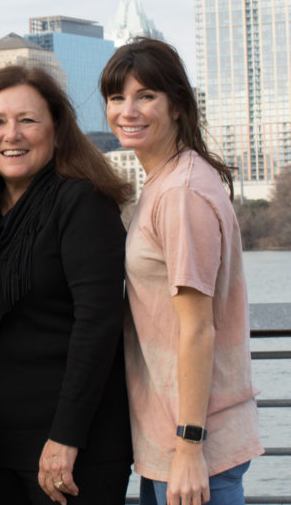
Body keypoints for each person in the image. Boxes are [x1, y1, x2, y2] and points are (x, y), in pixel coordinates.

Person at [99, 38, 262, 505]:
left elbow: (197, 329)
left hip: (195, 448)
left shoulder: (181, 194)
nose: (127, 110)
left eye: (145, 96)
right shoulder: (165, 181)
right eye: (116, 97)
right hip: (169, 440)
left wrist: (190, 446)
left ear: (177, 106)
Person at [0, 65, 133, 504]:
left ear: (57, 130)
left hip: (73, 445)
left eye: (28, 120)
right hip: (1, 441)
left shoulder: (82, 201)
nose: (11, 134)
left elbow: (98, 324)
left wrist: (66, 438)